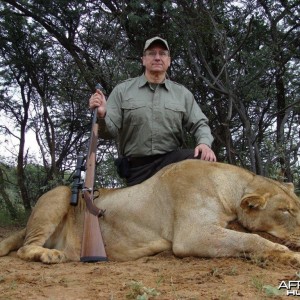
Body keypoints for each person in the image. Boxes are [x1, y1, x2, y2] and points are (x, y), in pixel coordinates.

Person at [89, 36, 216, 186]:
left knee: (204, 157)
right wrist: (102, 115)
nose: (157, 57)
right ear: (143, 59)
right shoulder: (122, 91)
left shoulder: (182, 94)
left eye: (162, 54)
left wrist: (205, 143)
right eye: (151, 53)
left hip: (172, 162)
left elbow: (200, 124)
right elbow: (108, 133)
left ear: (169, 61)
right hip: (138, 167)